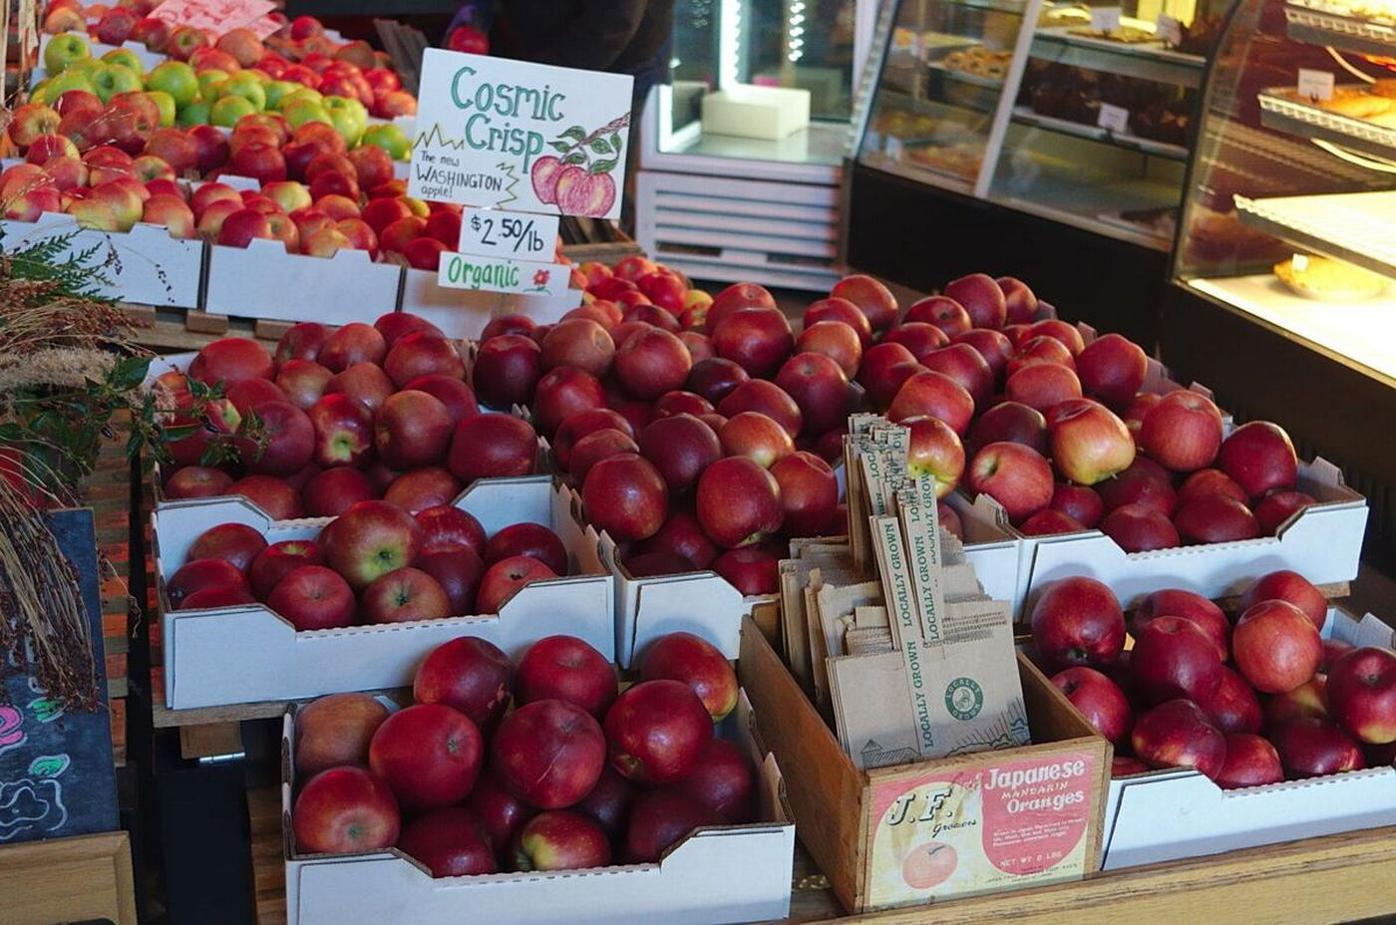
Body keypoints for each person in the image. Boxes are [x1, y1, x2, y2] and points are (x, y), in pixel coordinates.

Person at [445, 1, 675, 230]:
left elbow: (616, 22)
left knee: (588, 203)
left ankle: (592, 249)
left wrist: (540, 80)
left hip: (614, 59)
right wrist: (472, 18)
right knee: (524, 186)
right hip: (539, 50)